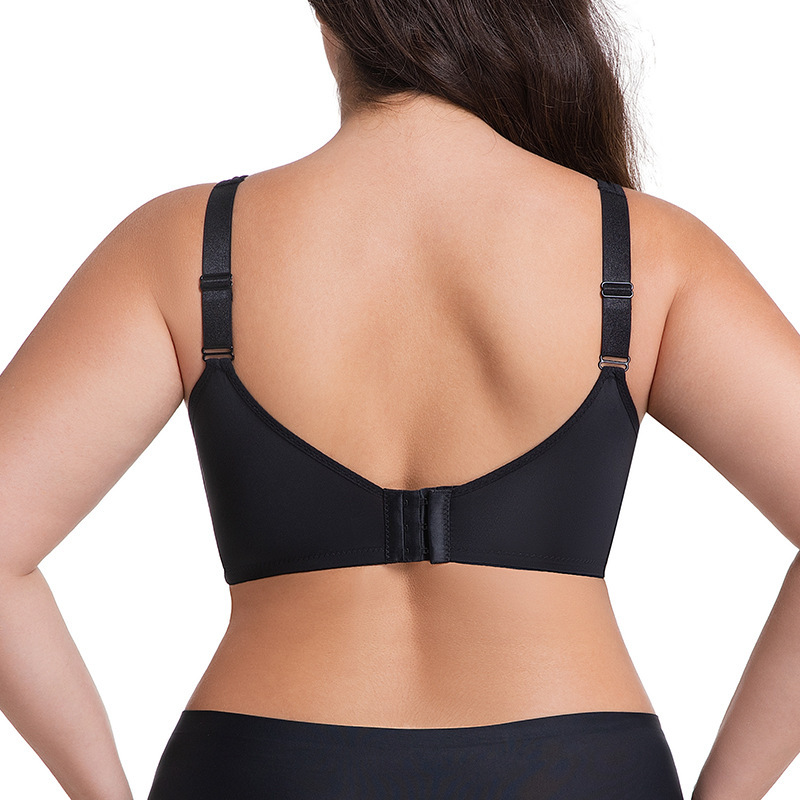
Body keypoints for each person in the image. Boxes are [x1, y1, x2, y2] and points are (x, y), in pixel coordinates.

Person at [1, 1, 799, 798]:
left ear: (334, 24)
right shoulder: (644, 249)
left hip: (266, 766)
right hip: (574, 768)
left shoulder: (190, 242)